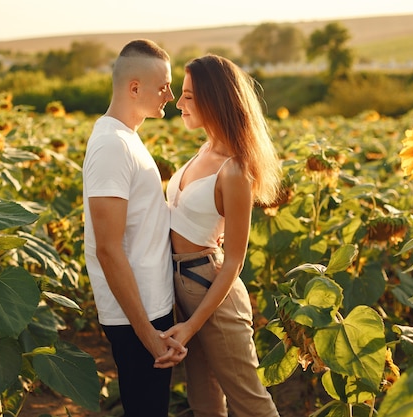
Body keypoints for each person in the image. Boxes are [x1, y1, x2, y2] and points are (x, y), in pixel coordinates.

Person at [163, 54, 281, 417]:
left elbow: (234, 262)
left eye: (188, 96)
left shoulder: (235, 170)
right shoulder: (203, 150)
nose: (178, 104)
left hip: (211, 288)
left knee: (250, 401)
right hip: (181, 285)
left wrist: (189, 327)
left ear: (214, 99)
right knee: (205, 400)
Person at [82, 39, 187, 417]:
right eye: (164, 86)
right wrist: (149, 336)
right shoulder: (111, 145)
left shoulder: (127, 138)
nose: (171, 96)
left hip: (148, 306)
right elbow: (107, 249)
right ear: (134, 88)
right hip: (136, 316)